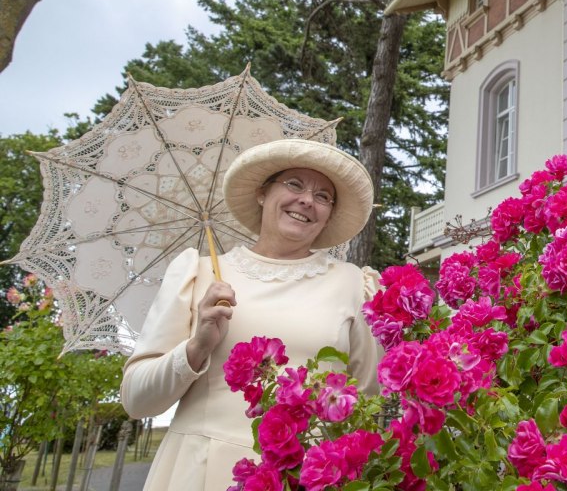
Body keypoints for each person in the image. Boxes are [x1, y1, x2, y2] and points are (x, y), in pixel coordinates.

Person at [121, 139, 384, 491]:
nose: (307, 199)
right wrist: (197, 347)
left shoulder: (355, 284)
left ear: (329, 214)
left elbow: (365, 398)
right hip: (199, 472)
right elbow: (137, 400)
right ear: (262, 193)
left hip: (308, 477)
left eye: (323, 196)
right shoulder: (198, 275)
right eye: (294, 184)